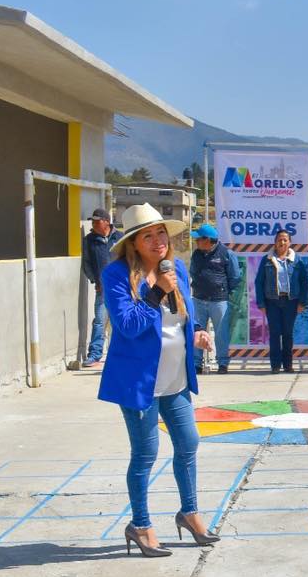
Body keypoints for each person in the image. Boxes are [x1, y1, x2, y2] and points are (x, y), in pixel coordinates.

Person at [98, 203, 218, 558]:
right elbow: (129, 326)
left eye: (161, 232)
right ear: (133, 243)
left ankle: (189, 512)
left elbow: (182, 315)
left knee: (188, 444)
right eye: (147, 235)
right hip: (140, 384)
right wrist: (156, 291)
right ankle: (140, 525)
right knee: (146, 454)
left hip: (175, 380)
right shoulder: (117, 275)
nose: (157, 240)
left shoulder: (176, 268)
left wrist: (196, 332)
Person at [187, 223, 241, 375]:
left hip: (219, 301)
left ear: (208, 240)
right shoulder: (196, 254)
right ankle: (196, 363)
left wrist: (224, 291)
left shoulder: (226, 254)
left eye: (198, 239)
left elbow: (235, 277)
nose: (196, 242)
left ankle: (223, 363)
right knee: (197, 331)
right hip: (198, 299)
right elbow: (193, 271)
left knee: (221, 333)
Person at [254, 229, 308, 374]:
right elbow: (259, 282)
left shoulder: (297, 260)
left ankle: (288, 364)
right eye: (279, 239)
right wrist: (261, 303)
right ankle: (275, 365)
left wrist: (302, 302)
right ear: (275, 242)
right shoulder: (267, 259)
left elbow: (304, 282)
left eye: (285, 239)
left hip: (291, 301)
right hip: (272, 302)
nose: (282, 242)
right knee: (274, 333)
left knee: (288, 333)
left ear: (289, 242)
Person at [80, 208, 122, 368]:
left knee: (119, 322)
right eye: (93, 221)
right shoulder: (89, 240)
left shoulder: (120, 238)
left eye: (97, 221)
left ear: (106, 222)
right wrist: (94, 280)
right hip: (102, 289)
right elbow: (87, 263)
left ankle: (117, 355)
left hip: (120, 288)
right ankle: (95, 354)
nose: (94, 224)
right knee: (99, 321)